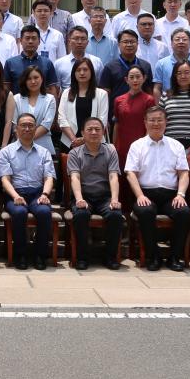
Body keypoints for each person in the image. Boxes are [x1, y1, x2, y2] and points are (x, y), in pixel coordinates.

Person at [124, 106, 190, 272]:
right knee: (145, 211)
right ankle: (153, 256)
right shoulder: (137, 146)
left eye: (160, 120)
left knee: (183, 212)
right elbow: (130, 174)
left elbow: (183, 173)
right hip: (146, 193)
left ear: (166, 122)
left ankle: (174, 257)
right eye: (152, 120)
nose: (156, 123)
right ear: (145, 122)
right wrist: (139, 195)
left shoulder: (176, 146)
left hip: (171, 195)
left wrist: (181, 195)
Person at [0, 113, 57, 271]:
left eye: (31, 125)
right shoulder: (6, 152)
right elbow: (5, 179)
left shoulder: (44, 152)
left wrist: (45, 195)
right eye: (23, 125)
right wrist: (16, 196)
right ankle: (20, 255)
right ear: (16, 129)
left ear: (35, 128)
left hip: (38, 193)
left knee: (44, 212)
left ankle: (40, 255)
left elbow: (49, 177)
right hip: (15, 193)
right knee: (19, 213)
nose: (27, 128)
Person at [66, 116, 124, 271]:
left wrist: (114, 199)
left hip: (104, 196)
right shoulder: (75, 153)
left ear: (103, 132)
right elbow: (75, 177)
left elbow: (113, 176)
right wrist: (79, 199)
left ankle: (110, 257)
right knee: (81, 214)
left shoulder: (110, 151)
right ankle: (82, 258)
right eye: (89, 129)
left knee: (115, 215)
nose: (93, 132)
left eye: (97, 129)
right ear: (82, 133)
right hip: (83, 195)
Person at [57, 57, 108, 152]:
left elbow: (102, 121)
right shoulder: (66, 93)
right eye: (78, 70)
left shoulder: (102, 94)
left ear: (91, 72)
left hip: (95, 142)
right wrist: (74, 139)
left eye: (85, 70)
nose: (82, 73)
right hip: (69, 142)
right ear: (74, 73)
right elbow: (61, 119)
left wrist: (85, 140)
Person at [12, 65, 57, 158]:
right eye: (29, 79)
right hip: (19, 147)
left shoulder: (50, 99)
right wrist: (23, 142)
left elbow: (46, 125)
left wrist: (26, 140)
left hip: (43, 146)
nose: (33, 81)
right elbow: (14, 124)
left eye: (36, 78)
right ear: (24, 81)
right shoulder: (16, 98)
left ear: (42, 79)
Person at [154, 29, 190, 98]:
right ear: (171, 44)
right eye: (177, 39)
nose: (181, 42)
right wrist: (159, 104)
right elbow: (157, 88)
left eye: (184, 39)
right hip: (169, 103)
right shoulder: (161, 64)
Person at [99, 29, 154, 101]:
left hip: (142, 106)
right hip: (117, 107)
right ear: (119, 44)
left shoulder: (146, 66)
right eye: (125, 42)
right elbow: (105, 93)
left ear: (137, 44)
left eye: (132, 42)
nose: (129, 45)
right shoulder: (110, 67)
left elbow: (149, 91)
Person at [4, 25, 59, 96]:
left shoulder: (47, 63)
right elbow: (6, 89)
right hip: (17, 102)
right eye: (27, 38)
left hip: (42, 102)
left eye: (34, 38)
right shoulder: (10, 63)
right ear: (21, 41)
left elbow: (52, 89)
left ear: (39, 41)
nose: (30, 41)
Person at [54, 25, 104, 90]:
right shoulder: (59, 64)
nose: (79, 42)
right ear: (69, 41)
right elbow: (56, 88)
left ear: (87, 42)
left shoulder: (97, 62)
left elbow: (101, 86)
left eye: (83, 39)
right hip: (68, 96)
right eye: (76, 38)